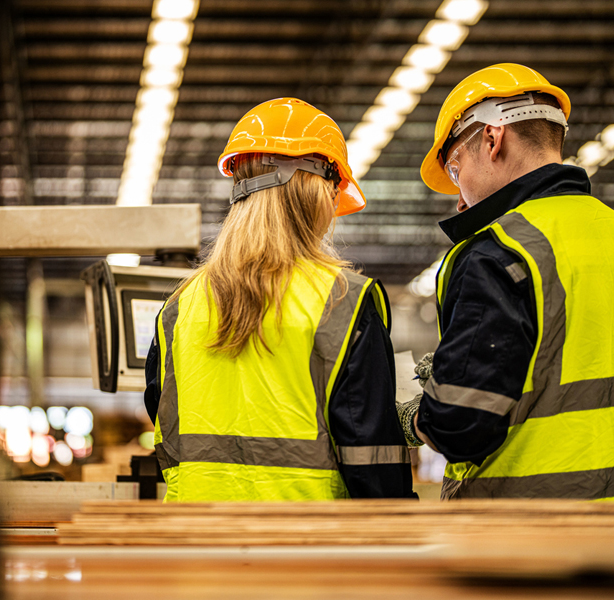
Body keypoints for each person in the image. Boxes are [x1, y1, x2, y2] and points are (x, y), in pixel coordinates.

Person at [398, 64, 614, 527]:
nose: (460, 199)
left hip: (536, 547)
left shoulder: (500, 250)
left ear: (492, 139)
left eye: (456, 168)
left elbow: (460, 423)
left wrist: (414, 412)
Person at [143, 98, 416, 502]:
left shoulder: (179, 309)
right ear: (315, 189)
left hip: (195, 548)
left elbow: (164, 423)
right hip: (309, 550)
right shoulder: (342, 301)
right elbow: (373, 463)